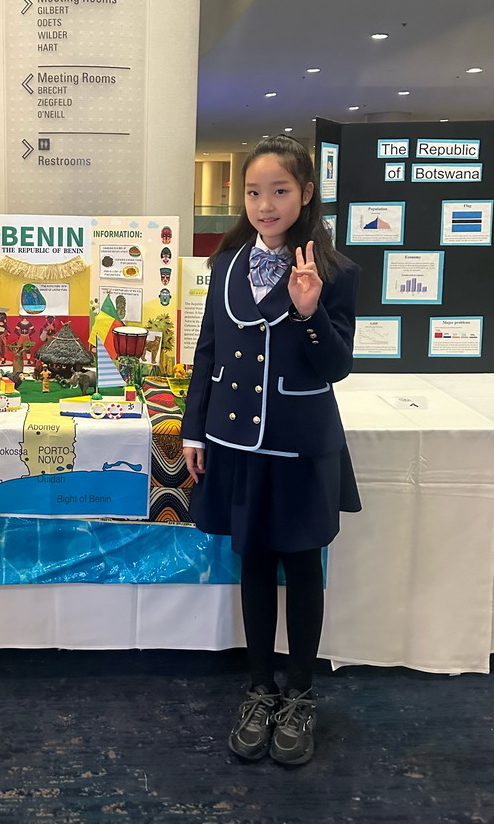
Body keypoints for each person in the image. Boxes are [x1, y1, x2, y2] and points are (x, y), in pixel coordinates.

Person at [182, 134, 361, 768]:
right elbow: (207, 350)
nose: (265, 205)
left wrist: (310, 313)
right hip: (238, 443)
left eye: (279, 191)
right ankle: (260, 689)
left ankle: (301, 694)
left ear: (306, 193)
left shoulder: (337, 272)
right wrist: (194, 430)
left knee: (304, 569)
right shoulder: (226, 265)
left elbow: (337, 366)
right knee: (254, 562)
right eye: (254, 192)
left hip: (300, 446)